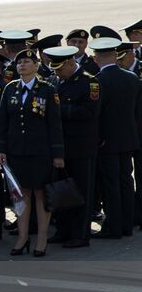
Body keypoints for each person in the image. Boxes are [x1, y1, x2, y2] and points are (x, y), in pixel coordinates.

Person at [0, 48, 65, 257]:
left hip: (40, 152)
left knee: (40, 194)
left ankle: (42, 238)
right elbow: (2, 123)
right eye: (19, 63)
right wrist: (0, 148)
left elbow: (55, 124)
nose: (22, 65)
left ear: (36, 66)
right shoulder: (10, 89)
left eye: (27, 62)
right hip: (17, 151)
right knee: (21, 195)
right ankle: (23, 237)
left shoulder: (47, 89)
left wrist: (58, 154)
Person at [45, 44, 99, 248]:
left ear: (70, 62)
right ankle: (63, 229)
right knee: (62, 190)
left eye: (60, 68)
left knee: (82, 191)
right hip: (61, 146)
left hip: (81, 146)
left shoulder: (89, 82)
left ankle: (80, 233)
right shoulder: (55, 81)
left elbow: (88, 112)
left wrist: (59, 111)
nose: (57, 72)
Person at [92, 37, 139, 239]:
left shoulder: (97, 81)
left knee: (110, 184)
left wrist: (98, 137)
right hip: (129, 138)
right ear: (116, 55)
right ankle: (127, 224)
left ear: (95, 59)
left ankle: (114, 226)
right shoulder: (132, 78)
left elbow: (97, 115)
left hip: (107, 141)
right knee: (126, 181)